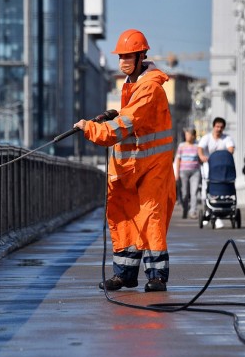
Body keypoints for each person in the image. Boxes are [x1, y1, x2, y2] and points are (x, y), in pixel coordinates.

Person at [74, 29, 176, 292]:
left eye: (128, 56)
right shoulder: (132, 86)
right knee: (123, 214)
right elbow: (130, 122)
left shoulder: (149, 89)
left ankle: (156, 276)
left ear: (142, 56)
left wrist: (91, 128)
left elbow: (124, 126)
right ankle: (125, 274)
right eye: (120, 56)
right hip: (129, 167)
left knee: (149, 216)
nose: (123, 61)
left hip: (151, 166)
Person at [198, 117, 235, 227]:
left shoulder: (226, 138)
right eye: (217, 127)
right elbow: (200, 148)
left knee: (222, 188)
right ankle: (207, 210)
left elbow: (231, 149)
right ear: (213, 127)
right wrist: (202, 156)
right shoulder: (207, 138)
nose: (219, 129)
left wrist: (223, 157)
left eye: (221, 127)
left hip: (222, 168)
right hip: (209, 166)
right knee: (207, 188)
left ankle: (219, 212)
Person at [174, 127, 201, 219]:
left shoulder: (198, 146)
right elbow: (178, 159)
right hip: (183, 171)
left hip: (195, 171)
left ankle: (193, 211)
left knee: (194, 192)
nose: (187, 136)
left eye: (188, 135)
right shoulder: (181, 146)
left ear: (193, 136)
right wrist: (176, 173)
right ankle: (185, 209)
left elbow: (201, 158)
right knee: (184, 193)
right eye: (186, 135)